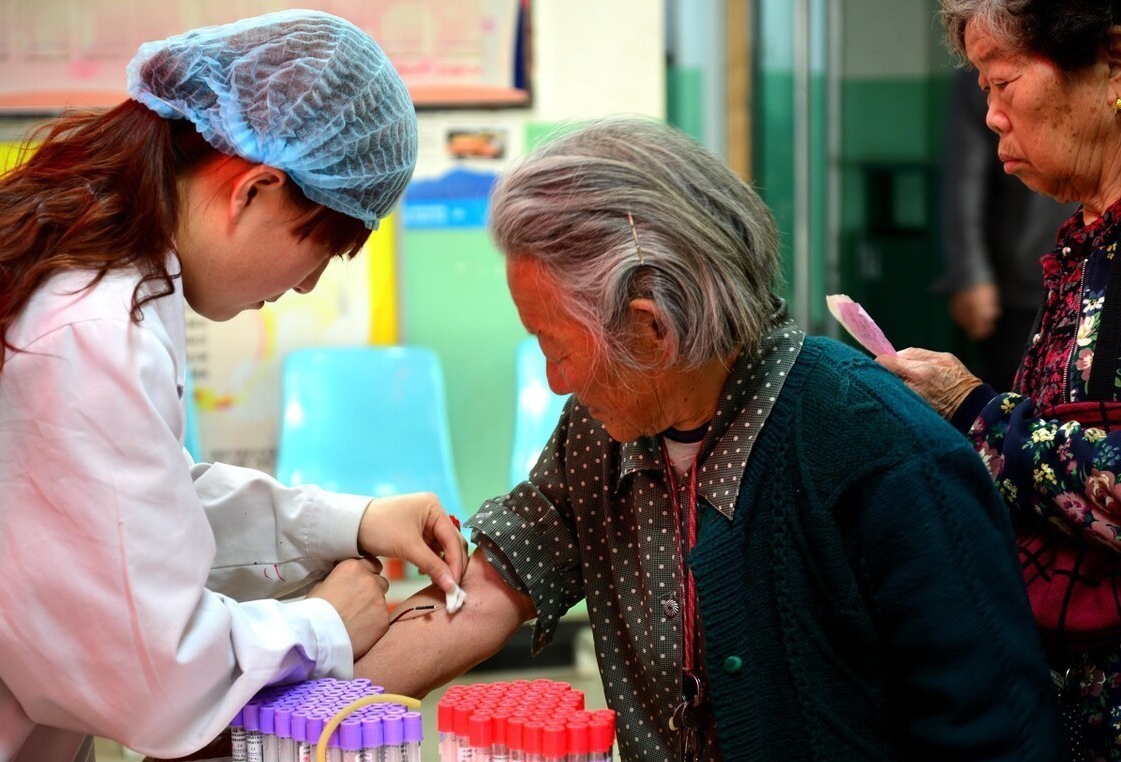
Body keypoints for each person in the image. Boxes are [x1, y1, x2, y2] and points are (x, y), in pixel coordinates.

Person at [354, 116, 1060, 760]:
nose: (553, 381)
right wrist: (316, 701)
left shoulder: (879, 452)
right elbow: (487, 590)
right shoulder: (601, 437)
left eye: (556, 346)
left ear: (652, 329)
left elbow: (994, 733)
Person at [0, 10, 467, 762]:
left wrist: (352, 521)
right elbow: (154, 681)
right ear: (255, 190)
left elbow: (131, 506)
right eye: (319, 251)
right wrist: (324, 623)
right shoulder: (86, 327)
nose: (307, 286)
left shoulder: (71, 264)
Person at [880, 2, 1121, 758]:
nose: (990, 116)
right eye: (982, 89)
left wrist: (974, 409)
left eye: (1004, 83)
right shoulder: (1084, 246)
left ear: (1113, 64)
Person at [939, 65, 1077, 391]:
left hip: (1089, 266)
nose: (995, 116)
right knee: (1015, 399)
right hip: (1023, 277)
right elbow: (964, 182)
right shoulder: (982, 69)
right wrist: (970, 274)